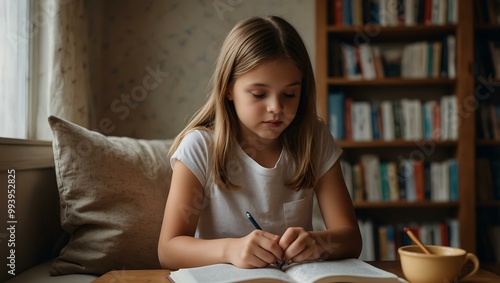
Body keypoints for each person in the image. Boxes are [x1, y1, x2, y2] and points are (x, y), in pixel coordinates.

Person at [157, 15, 362, 271]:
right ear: (228, 88)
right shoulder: (199, 147)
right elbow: (168, 250)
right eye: (259, 94)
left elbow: (351, 238)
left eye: (289, 94)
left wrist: (318, 242)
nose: (276, 108)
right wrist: (231, 249)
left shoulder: (314, 139)